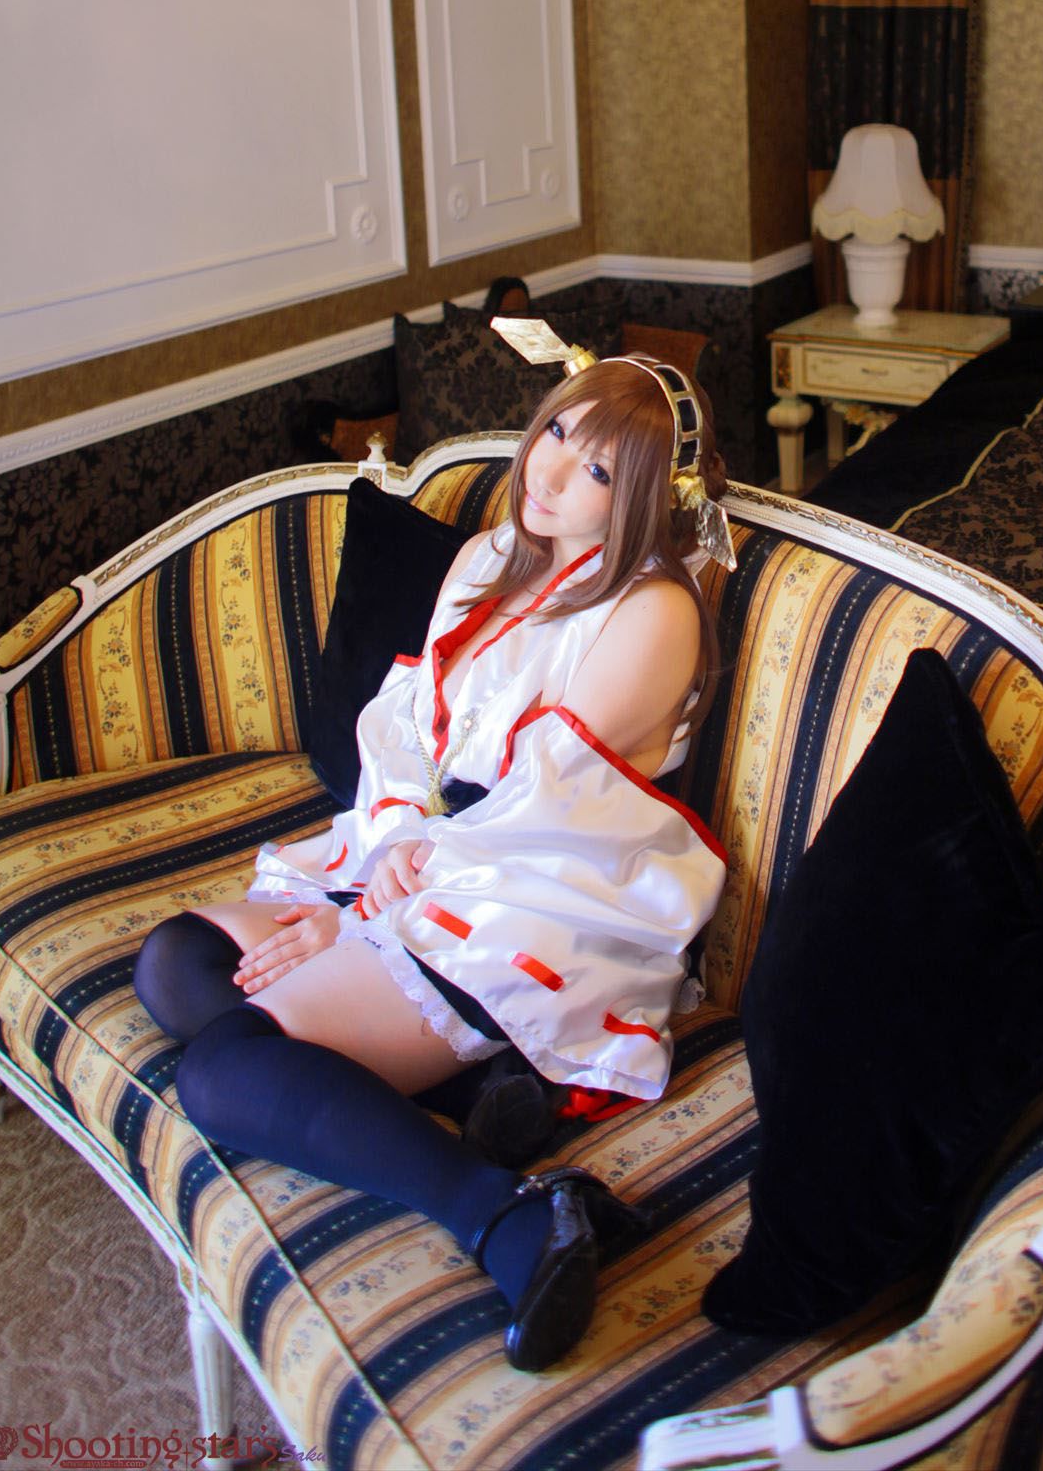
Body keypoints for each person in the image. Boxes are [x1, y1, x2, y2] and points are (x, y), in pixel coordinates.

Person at [134, 352, 731, 1374]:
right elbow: (412, 726)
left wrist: (358, 915)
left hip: (541, 895)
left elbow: (543, 804)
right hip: (429, 852)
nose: (550, 472)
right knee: (175, 963)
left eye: (596, 470)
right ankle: (477, 1100)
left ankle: (508, 1215)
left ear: (643, 494)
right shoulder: (492, 557)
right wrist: (393, 838)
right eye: (556, 432)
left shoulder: (652, 611)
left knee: (221, 1072)